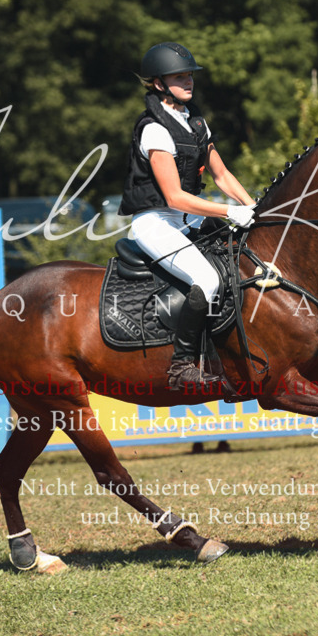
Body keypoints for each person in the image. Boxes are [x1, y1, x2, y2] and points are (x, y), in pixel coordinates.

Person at [119, 42, 256, 392]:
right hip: (155, 221)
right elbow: (175, 196)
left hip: (185, 218)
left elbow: (222, 176)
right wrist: (230, 211)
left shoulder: (196, 122)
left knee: (236, 258)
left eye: (190, 75)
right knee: (207, 280)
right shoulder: (154, 129)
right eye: (179, 76)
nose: (188, 81)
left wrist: (253, 208)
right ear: (159, 83)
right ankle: (181, 366)